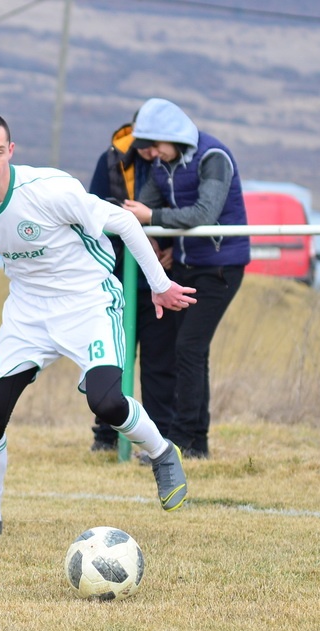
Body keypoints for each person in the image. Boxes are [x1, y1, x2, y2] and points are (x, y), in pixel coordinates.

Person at [0, 110, 196, 540]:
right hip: (27, 313)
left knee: (107, 403)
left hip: (87, 302)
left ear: (11, 150)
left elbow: (123, 222)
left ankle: (161, 453)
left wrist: (159, 285)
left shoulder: (50, 190)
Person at [123, 98, 250, 459]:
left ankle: (178, 444)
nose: (151, 153)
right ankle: (197, 444)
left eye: (154, 145)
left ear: (173, 136)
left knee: (189, 349)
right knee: (194, 353)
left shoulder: (213, 157)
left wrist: (151, 218)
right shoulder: (162, 164)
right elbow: (141, 208)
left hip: (220, 267)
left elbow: (203, 213)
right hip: (184, 265)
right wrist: (151, 237)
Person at [87, 119, 177, 453]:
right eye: (147, 143)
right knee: (111, 361)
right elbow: (93, 213)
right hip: (116, 280)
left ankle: (158, 440)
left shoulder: (176, 161)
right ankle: (106, 437)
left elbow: (185, 211)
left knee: (159, 365)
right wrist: (135, 238)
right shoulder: (110, 161)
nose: (153, 152)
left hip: (161, 284)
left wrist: (172, 249)